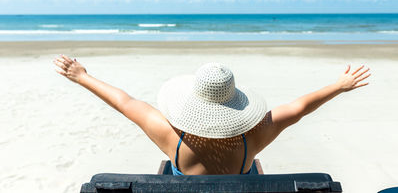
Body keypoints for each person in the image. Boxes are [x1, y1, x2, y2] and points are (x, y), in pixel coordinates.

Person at [53, 55, 370, 175]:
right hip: (245, 167)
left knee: (167, 167)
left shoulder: (169, 136)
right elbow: (299, 108)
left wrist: (82, 76)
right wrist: (339, 86)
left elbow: (125, 102)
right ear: (234, 102)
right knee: (255, 165)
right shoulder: (255, 135)